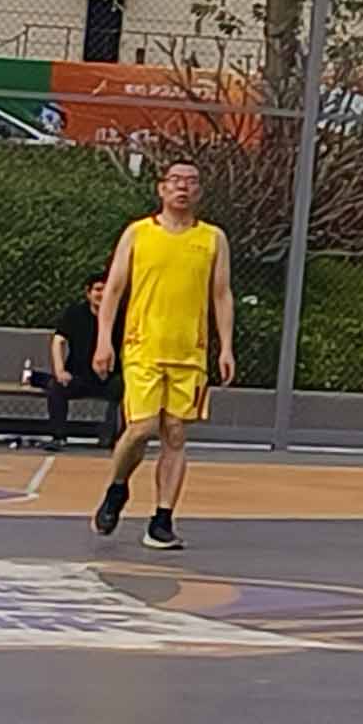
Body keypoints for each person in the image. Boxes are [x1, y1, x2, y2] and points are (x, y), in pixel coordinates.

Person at [91, 159, 232, 550]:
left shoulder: (212, 239)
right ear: (161, 188)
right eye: (175, 181)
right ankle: (117, 486)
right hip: (143, 347)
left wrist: (226, 346)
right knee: (141, 427)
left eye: (191, 181)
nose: (182, 187)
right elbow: (114, 289)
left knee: (175, 432)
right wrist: (104, 340)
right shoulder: (138, 233)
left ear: (199, 191)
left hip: (189, 352)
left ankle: (162, 519)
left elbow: (221, 294)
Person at [33, 270, 118, 450]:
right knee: (56, 387)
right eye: (98, 289)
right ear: (88, 293)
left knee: (126, 389)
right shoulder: (75, 314)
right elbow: (58, 340)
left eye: (106, 290)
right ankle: (58, 437)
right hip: (79, 376)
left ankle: (112, 438)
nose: (102, 294)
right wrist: (60, 371)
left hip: (109, 377)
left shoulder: (119, 314)